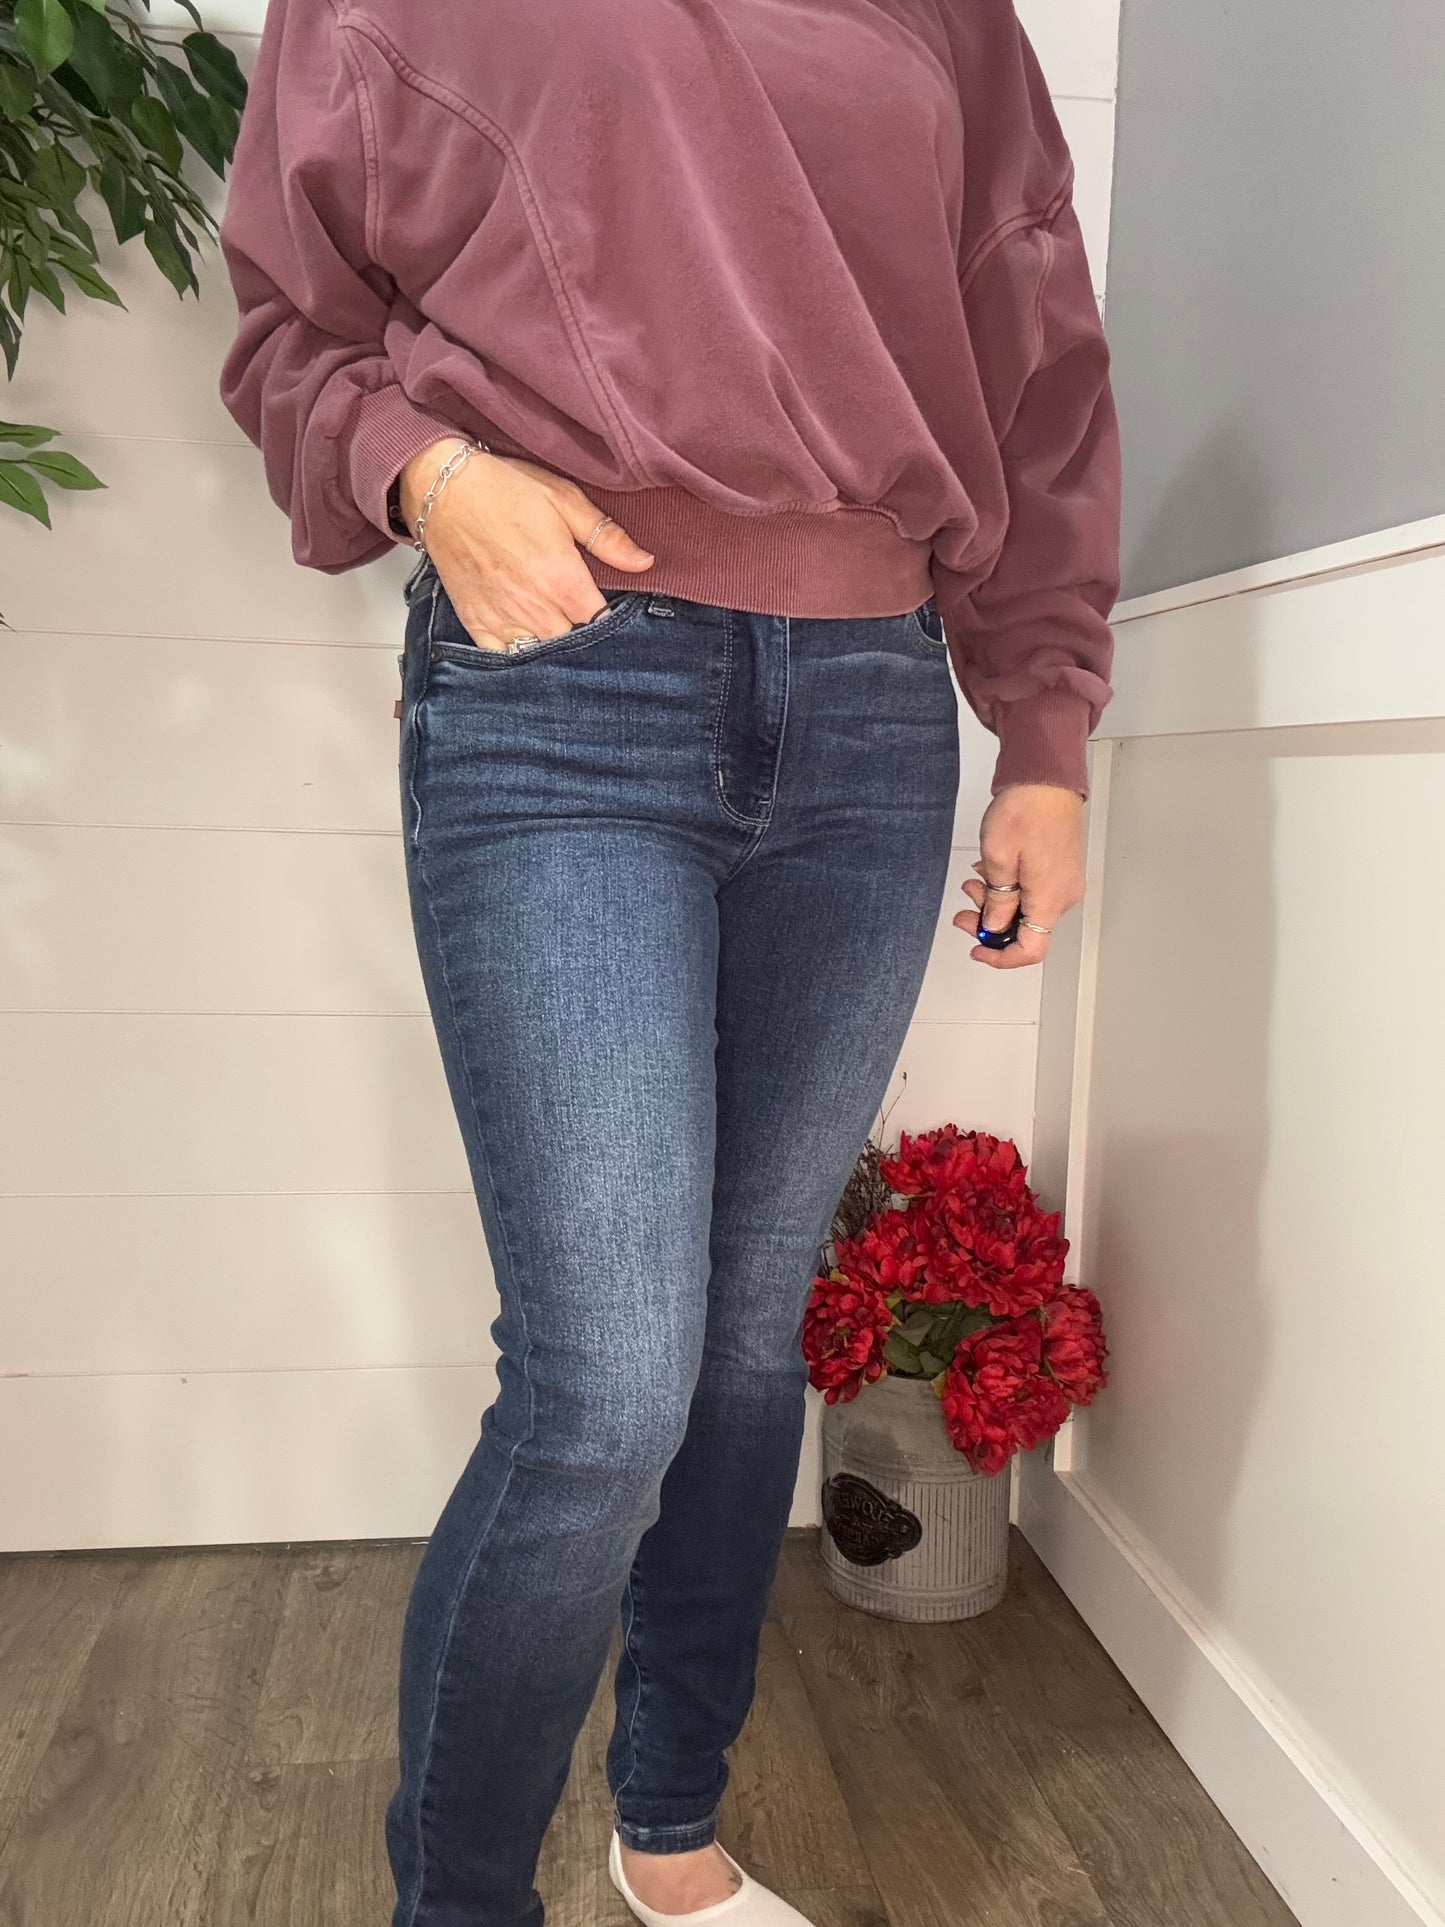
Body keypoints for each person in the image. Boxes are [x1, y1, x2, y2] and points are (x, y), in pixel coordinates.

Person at [215, 0, 1120, 1920]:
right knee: (604, 1385)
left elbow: (1036, 370)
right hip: (563, 687)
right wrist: (423, 472)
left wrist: (1040, 731)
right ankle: (461, 1902)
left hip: (872, 707)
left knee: (734, 1343)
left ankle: (672, 1830)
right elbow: (289, 318)